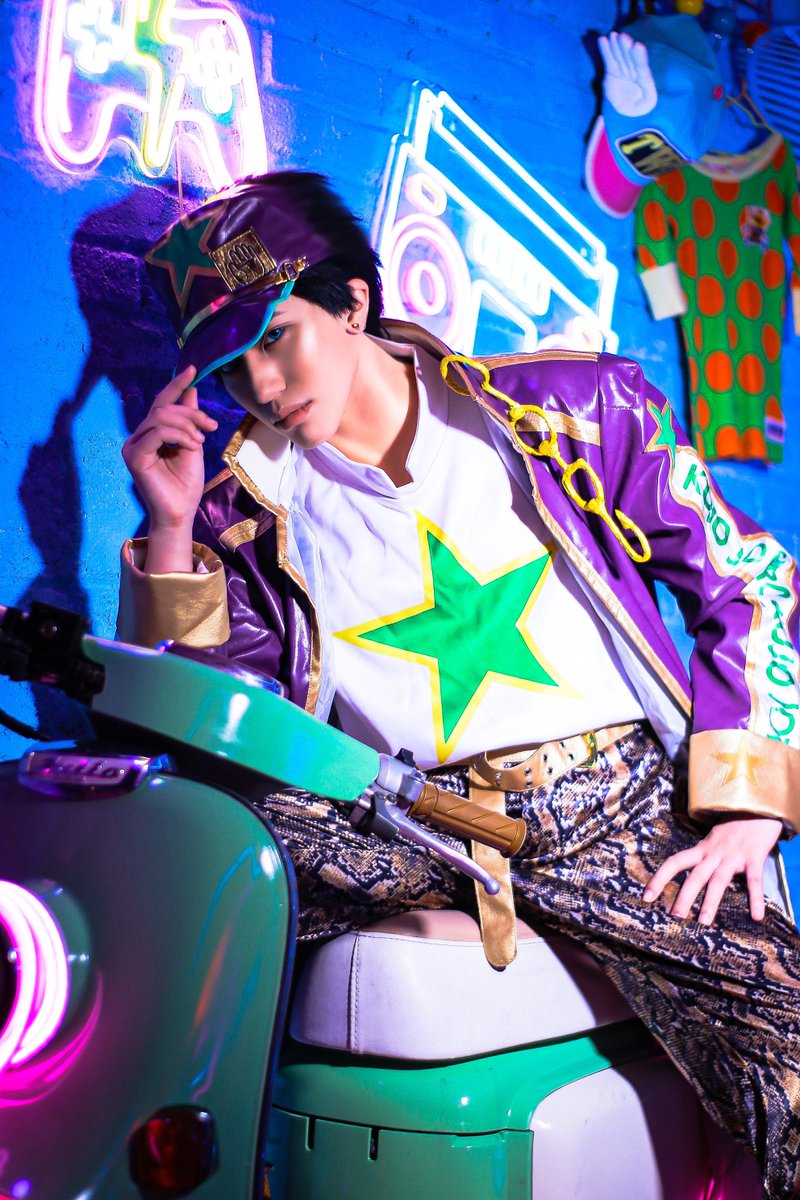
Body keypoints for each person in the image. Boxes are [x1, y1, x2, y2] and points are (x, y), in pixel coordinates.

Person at [119, 171, 800, 1198]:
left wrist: (747, 803)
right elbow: (217, 738)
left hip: (616, 815)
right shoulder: (239, 510)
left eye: (276, 336)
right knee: (188, 865)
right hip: (415, 824)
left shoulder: (573, 407)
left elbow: (745, 576)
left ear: (353, 303)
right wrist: (171, 534)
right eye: (229, 364)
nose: (259, 383)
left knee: (788, 1053)